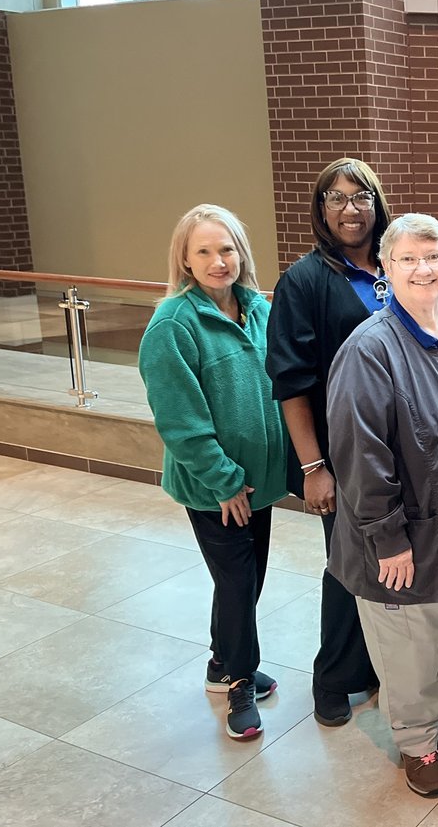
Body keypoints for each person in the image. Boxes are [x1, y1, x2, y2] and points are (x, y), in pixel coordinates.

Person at [325, 213, 438, 798]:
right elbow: (359, 454)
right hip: (405, 537)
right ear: (386, 270)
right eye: (408, 259)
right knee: (409, 645)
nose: (422, 269)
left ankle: (436, 708)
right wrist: (387, 536)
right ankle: (416, 740)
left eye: (433, 257)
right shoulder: (369, 351)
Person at [139, 204, 287, 740]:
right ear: (184, 257)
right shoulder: (172, 325)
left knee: (247, 583)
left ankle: (222, 661)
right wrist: (224, 480)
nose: (218, 261)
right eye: (203, 251)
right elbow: (179, 420)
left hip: (261, 482)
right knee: (237, 579)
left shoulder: (258, 309)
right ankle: (238, 683)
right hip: (216, 488)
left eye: (226, 248)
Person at [266, 157, 390, 727]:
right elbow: (291, 380)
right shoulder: (305, 280)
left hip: (399, 449)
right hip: (340, 452)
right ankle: (334, 677)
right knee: (346, 564)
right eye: (336, 199)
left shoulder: (397, 265)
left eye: (360, 196)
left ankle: (379, 665)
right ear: (320, 210)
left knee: (392, 562)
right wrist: (314, 465)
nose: (350, 208)